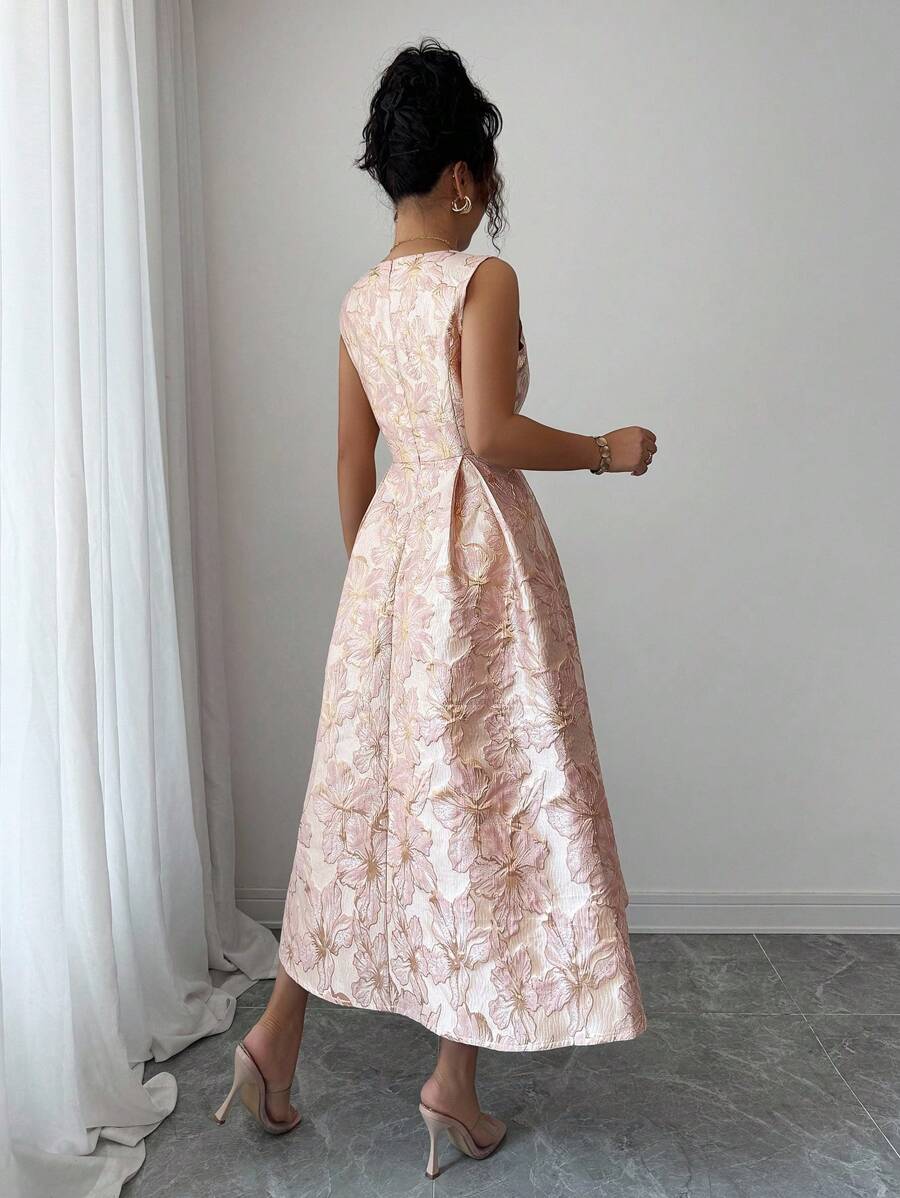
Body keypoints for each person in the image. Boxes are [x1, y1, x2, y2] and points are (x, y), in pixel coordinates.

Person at [213, 36, 655, 1180]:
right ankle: (452, 1085)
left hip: (393, 566)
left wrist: (380, 584)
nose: (487, 201)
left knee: (360, 805)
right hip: (482, 564)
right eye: (486, 180)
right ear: (462, 177)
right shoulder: (481, 280)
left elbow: (351, 462)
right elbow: (489, 433)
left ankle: (275, 1038)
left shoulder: (361, 300)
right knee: (485, 802)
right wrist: (604, 448)